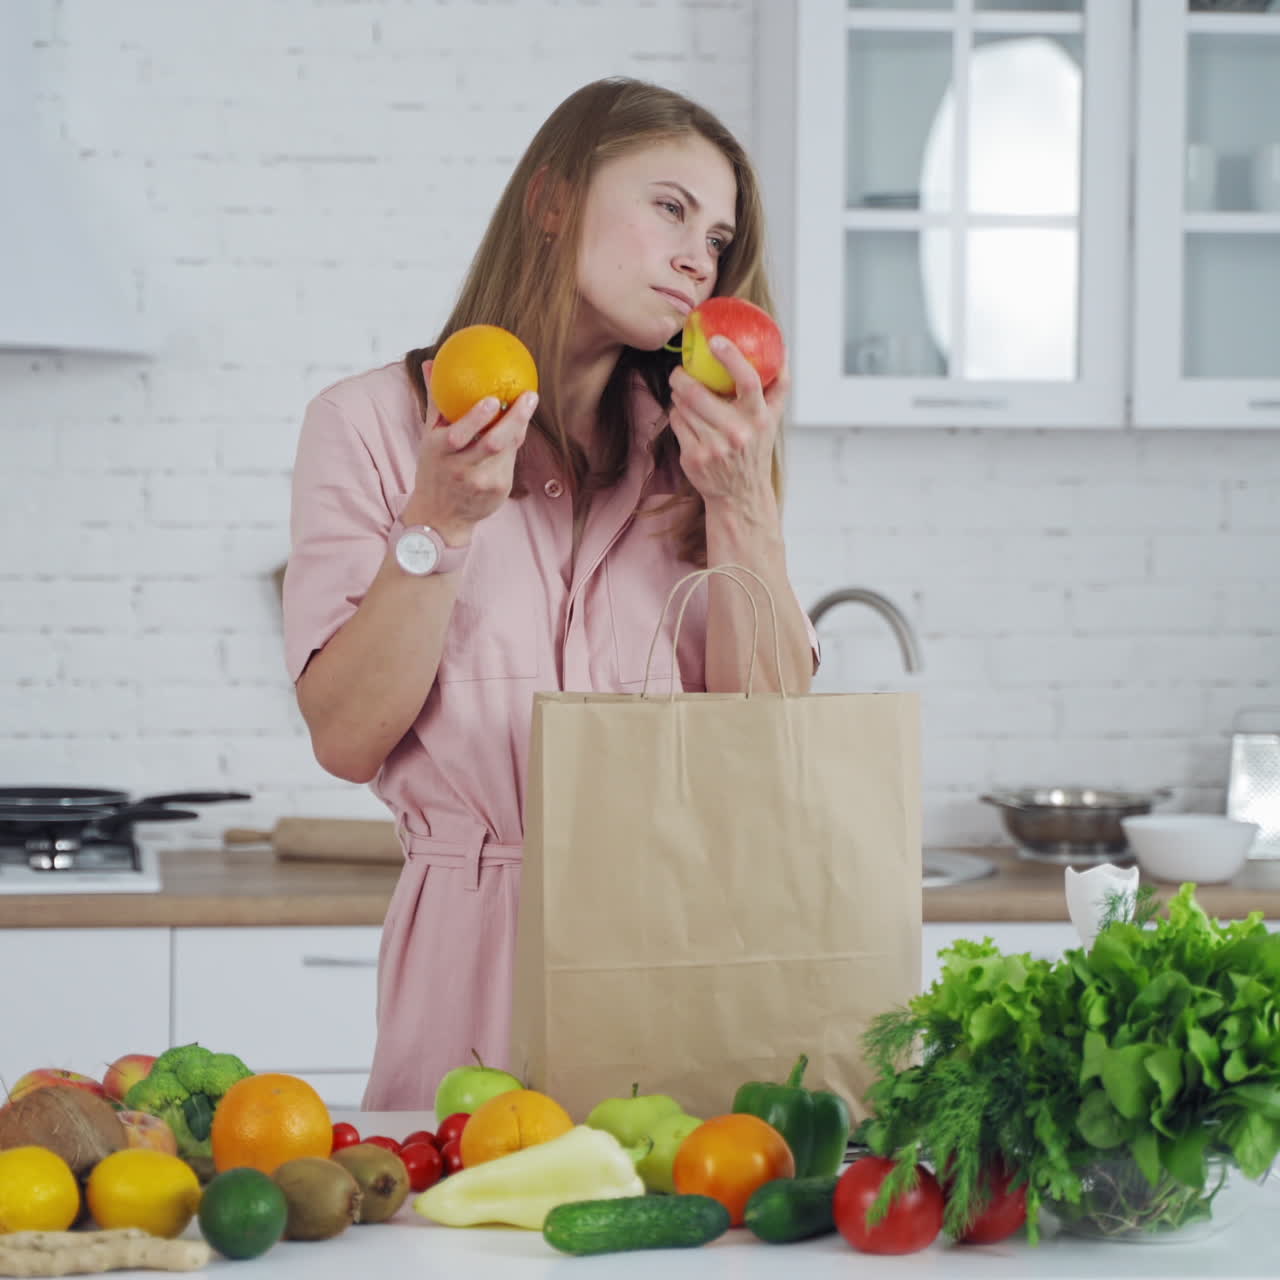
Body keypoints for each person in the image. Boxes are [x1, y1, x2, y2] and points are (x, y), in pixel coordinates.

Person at [283, 77, 819, 1111]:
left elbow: (771, 750)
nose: (694, 258)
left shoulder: (696, 455)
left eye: (714, 238)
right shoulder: (368, 427)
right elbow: (346, 737)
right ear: (550, 202)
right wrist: (436, 522)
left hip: (668, 946)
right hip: (466, 954)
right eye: (668, 206)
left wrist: (742, 505)